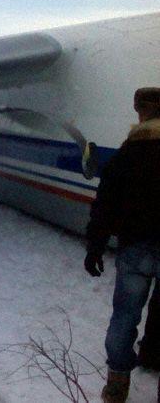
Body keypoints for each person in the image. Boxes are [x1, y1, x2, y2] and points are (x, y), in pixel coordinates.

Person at [84, 87, 160, 403]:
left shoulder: (125, 156)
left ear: (138, 111)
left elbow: (104, 206)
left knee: (125, 316)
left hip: (135, 249)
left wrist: (95, 247)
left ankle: (116, 386)